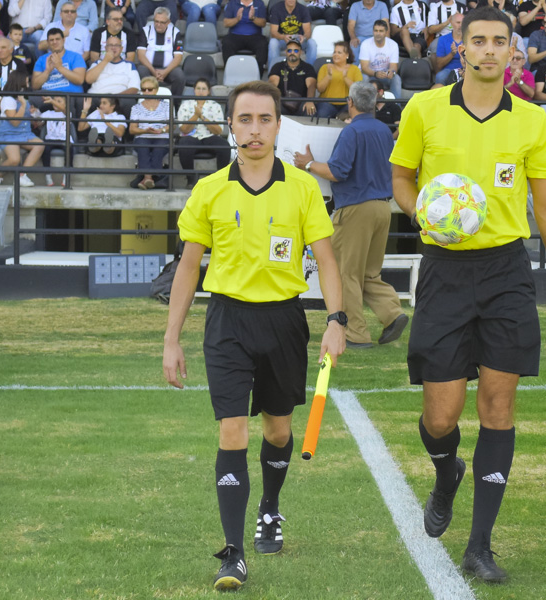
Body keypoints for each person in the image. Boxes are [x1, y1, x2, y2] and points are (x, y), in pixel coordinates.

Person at [389, 5, 546, 583]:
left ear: (513, 52)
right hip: (445, 269)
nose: (491, 50)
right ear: (460, 46)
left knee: (498, 405)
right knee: (441, 416)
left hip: (505, 271)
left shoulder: (531, 121)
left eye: (501, 42)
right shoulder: (424, 110)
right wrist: (420, 208)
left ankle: (480, 545)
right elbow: (401, 178)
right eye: (480, 41)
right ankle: (447, 473)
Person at [162, 79, 347, 592]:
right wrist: (171, 339)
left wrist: (337, 320)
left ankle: (270, 507)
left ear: (278, 125)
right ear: (230, 126)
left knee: (277, 431)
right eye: (245, 119)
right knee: (231, 431)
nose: (255, 129)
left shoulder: (304, 188)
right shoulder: (210, 190)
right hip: (227, 323)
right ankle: (233, 554)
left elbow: (327, 262)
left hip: (285, 322)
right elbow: (187, 268)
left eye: (265, 119)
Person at [294, 81, 409, 349]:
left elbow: (337, 171)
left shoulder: (351, 131)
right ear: (375, 104)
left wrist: (308, 163)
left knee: (345, 272)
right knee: (369, 273)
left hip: (356, 207)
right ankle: (393, 314)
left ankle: (356, 333)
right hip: (383, 207)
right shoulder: (383, 130)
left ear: (350, 102)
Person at [0, 71, 42, 187]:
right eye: (26, 81)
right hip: (9, 135)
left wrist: (35, 114)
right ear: (19, 82)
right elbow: (15, 122)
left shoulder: (24, 98)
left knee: (40, 145)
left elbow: (29, 118)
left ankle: (22, 176)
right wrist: (22, 106)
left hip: (25, 134)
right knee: (15, 159)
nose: (28, 84)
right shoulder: (8, 99)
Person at [177, 78, 230, 187]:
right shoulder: (185, 105)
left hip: (209, 136)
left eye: (204, 89)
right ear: (194, 90)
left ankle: (221, 180)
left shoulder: (215, 106)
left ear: (208, 91)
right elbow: (184, 129)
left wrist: (203, 117)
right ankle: (191, 180)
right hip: (191, 137)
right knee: (184, 144)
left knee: (224, 146)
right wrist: (196, 115)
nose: (201, 91)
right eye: (198, 88)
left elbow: (218, 131)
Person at [129, 76, 170, 189]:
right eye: (144, 89)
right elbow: (132, 129)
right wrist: (145, 130)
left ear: (156, 90)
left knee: (159, 148)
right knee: (143, 145)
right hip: (143, 135)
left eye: (150, 89)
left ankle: (146, 178)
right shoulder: (136, 107)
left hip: (161, 135)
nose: (146, 92)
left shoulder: (166, 105)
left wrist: (161, 130)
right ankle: (150, 178)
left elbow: (172, 125)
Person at [137, 7, 186, 97]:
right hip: (149, 68)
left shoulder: (175, 32)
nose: (158, 24)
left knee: (179, 75)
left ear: (168, 22)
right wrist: (154, 71)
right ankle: (144, 100)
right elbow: (141, 55)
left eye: (162, 22)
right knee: (141, 70)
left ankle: (174, 104)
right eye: (156, 21)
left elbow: (178, 57)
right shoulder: (146, 30)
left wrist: (165, 72)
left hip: (168, 70)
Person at [85, 36, 140, 104]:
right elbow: (88, 80)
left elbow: (134, 88)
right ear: (105, 48)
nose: (113, 48)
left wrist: (114, 98)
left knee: (129, 102)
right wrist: (105, 61)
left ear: (121, 49)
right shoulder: (97, 63)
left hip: (118, 100)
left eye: (117, 45)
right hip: (96, 98)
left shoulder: (129, 65)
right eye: (110, 45)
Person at [268, 40, 317, 116]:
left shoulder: (308, 67)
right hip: (282, 101)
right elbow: (272, 84)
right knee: (272, 109)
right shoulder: (277, 66)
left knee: (310, 111)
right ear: (286, 52)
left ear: (300, 52)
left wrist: (310, 101)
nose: (292, 53)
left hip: (302, 102)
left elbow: (311, 85)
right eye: (289, 50)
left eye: (296, 50)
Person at [32, 28, 86, 96]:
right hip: (47, 96)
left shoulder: (76, 56)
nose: (55, 42)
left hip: (69, 96)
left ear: (63, 40)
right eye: (51, 40)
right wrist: (47, 71)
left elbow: (80, 80)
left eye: (57, 39)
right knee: (33, 98)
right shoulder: (41, 59)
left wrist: (59, 67)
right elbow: (35, 86)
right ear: (48, 42)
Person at [36, 94, 74, 186]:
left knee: (69, 149)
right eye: (54, 101)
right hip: (51, 139)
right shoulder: (48, 113)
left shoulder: (67, 113)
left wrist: (52, 101)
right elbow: (38, 123)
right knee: (45, 149)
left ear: (65, 105)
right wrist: (35, 114)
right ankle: (48, 175)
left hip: (64, 139)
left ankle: (66, 175)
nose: (56, 104)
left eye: (59, 101)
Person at [222, 0, 269, 73]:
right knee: (226, 42)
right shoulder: (232, 3)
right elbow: (226, 23)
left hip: (254, 36)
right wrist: (237, 19)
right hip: (235, 35)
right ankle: (230, 73)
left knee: (263, 44)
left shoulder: (259, 3)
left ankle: (258, 75)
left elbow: (263, 23)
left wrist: (253, 18)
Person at [317, 41, 361, 119]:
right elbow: (320, 89)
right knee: (322, 114)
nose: (335, 54)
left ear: (347, 55)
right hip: (327, 103)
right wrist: (328, 76)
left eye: (339, 52)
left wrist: (345, 78)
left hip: (347, 104)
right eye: (334, 52)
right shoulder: (325, 67)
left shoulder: (355, 69)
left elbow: (358, 90)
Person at [267, 0, 315, 68]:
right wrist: (283, 37)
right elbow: (273, 32)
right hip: (282, 39)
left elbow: (308, 32)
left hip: (298, 39)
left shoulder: (303, 9)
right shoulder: (276, 8)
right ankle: (273, 73)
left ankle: (310, 72)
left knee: (312, 43)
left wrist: (303, 37)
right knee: (273, 42)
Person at [359, 20, 401, 97]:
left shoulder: (393, 45)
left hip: (385, 75)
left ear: (386, 32)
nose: (378, 33)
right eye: (376, 31)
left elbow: (394, 66)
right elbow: (364, 68)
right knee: (363, 77)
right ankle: (364, 105)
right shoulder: (365, 44)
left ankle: (396, 106)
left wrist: (391, 72)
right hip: (370, 75)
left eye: (381, 31)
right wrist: (375, 74)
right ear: (373, 31)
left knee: (396, 78)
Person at [433, 12, 464, 86]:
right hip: (448, 69)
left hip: (466, 69)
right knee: (440, 76)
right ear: (451, 23)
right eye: (458, 23)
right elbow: (439, 65)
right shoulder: (443, 39)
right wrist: (452, 54)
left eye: (463, 23)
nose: (460, 26)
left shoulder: (469, 39)